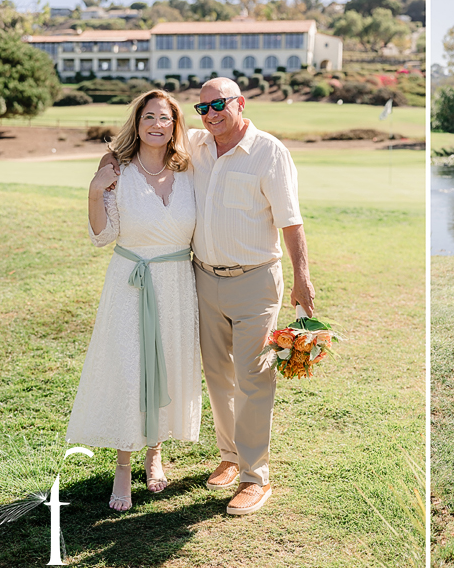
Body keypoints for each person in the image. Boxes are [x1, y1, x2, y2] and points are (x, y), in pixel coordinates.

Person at [101, 77, 315, 515]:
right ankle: (230, 458)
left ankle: (257, 476)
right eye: (203, 108)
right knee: (217, 376)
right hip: (202, 277)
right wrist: (109, 157)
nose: (211, 113)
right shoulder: (196, 146)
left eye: (219, 104)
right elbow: (150, 139)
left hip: (255, 280)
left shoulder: (269, 152)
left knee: (254, 376)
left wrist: (302, 277)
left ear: (239, 103)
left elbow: (291, 220)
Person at [67, 90, 201, 512]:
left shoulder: (191, 170)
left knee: (167, 371)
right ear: (137, 122)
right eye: (149, 117)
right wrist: (94, 190)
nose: (157, 124)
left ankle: (155, 452)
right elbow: (103, 236)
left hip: (178, 285)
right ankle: (124, 466)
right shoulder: (118, 171)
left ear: (175, 124)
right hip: (130, 285)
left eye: (165, 117)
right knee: (130, 373)